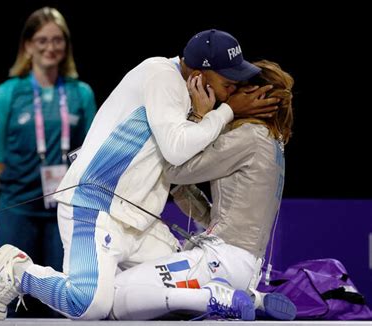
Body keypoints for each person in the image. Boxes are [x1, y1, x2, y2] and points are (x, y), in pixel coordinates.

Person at [0, 29, 279, 320]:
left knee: (183, 285)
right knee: (88, 307)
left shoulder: (191, 99)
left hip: (140, 224)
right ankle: (18, 272)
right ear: (199, 73)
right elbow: (177, 152)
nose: (231, 93)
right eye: (228, 83)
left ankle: (252, 298)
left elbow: (178, 173)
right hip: (95, 207)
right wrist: (226, 112)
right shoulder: (161, 75)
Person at [110, 60, 296, 320]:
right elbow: (214, 212)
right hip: (241, 268)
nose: (228, 93)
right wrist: (183, 192)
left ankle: (212, 296)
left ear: (257, 96)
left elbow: (176, 168)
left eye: (237, 88)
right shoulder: (271, 143)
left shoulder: (248, 138)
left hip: (219, 262)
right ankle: (253, 299)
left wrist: (198, 116)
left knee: (115, 296)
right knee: (153, 302)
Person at [0, 6, 96, 316]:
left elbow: (90, 154)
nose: (50, 47)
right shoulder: (7, 93)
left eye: (58, 40)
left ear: (66, 45)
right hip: (18, 207)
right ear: (28, 45)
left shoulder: (80, 93)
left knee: (63, 295)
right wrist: (21, 192)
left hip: (63, 209)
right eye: (42, 40)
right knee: (12, 291)